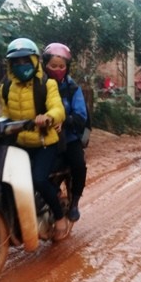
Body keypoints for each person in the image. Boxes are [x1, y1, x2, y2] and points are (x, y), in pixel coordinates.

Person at [0, 37, 69, 241]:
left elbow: (58, 109)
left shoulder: (47, 85)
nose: (22, 66)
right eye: (16, 62)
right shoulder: (5, 88)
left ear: (35, 61)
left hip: (44, 143)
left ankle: (59, 217)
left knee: (38, 179)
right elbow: (6, 115)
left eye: (26, 61)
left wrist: (48, 116)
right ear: (10, 64)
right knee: (4, 179)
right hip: (19, 142)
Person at [42, 42, 88, 222]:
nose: (57, 69)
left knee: (78, 165)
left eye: (61, 66)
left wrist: (65, 122)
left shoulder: (72, 88)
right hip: (43, 138)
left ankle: (75, 202)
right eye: (53, 66)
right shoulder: (39, 85)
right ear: (45, 65)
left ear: (67, 67)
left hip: (68, 138)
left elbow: (80, 115)